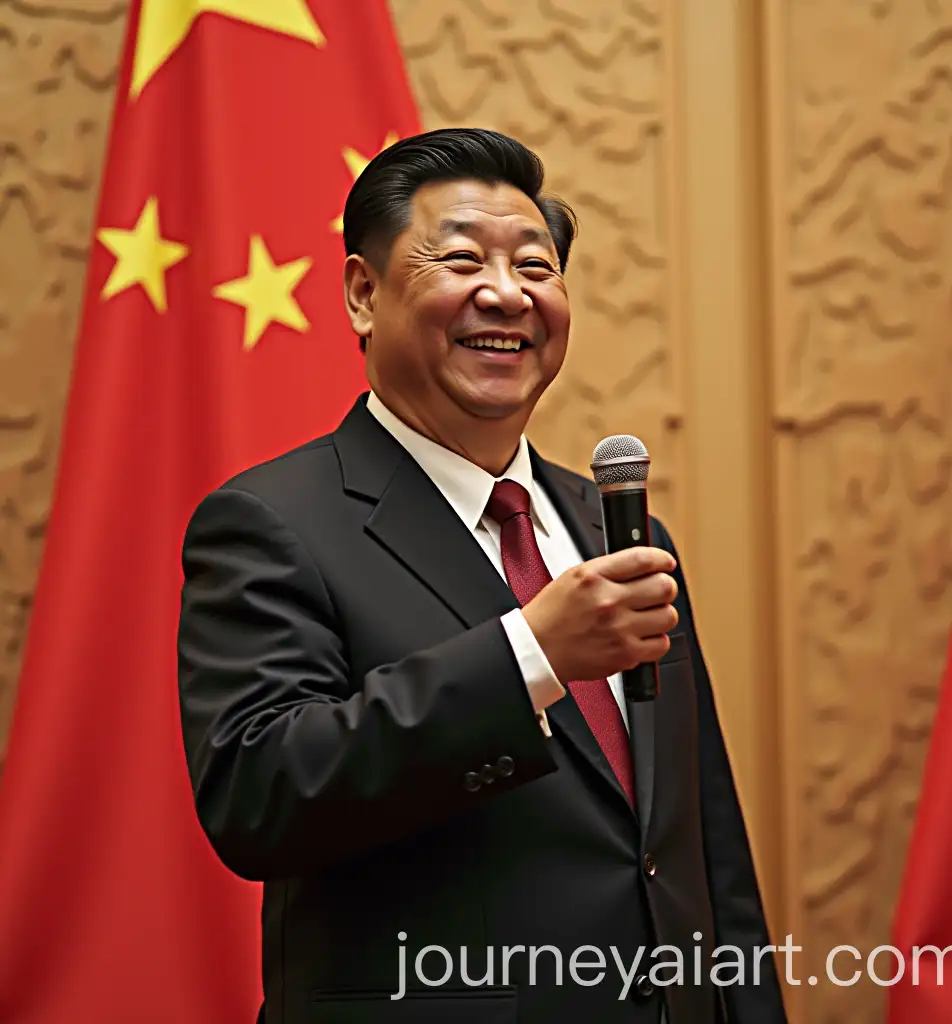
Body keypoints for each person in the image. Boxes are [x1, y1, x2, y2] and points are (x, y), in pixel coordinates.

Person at [177, 127, 788, 1024]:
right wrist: (528, 656)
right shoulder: (275, 523)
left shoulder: (615, 527)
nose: (507, 294)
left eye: (537, 269)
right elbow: (259, 795)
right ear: (361, 294)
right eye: (461, 260)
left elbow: (702, 844)